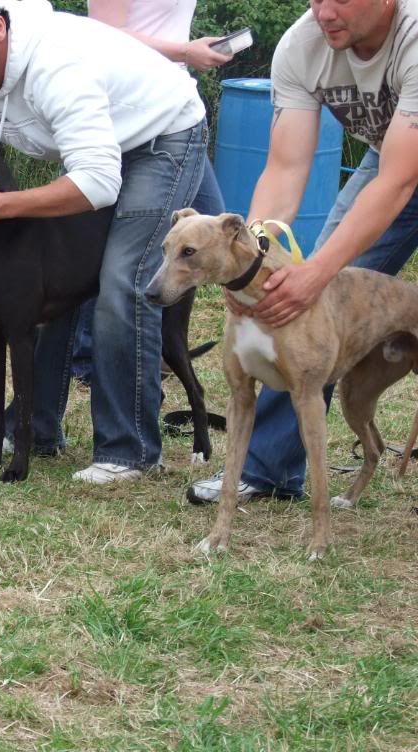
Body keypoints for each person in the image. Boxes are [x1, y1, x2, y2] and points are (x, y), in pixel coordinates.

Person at [0, 0, 207, 483]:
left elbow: (96, 182)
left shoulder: (55, 64)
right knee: (42, 286)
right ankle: (36, 429)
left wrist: (2, 205)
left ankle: (128, 450)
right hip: (96, 148)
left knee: (121, 280)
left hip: (162, 139)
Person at [187, 0, 418, 504]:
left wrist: (318, 270)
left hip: (399, 169)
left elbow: (400, 182)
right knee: (305, 312)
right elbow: (287, 167)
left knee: (317, 280)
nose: (323, 12)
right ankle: (268, 468)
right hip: (391, 161)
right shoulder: (302, 44)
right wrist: (253, 259)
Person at [71, 0, 230, 385]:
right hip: (131, 112)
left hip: (177, 109)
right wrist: (185, 51)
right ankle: (91, 357)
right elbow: (103, 35)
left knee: (217, 233)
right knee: (125, 255)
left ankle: (164, 350)